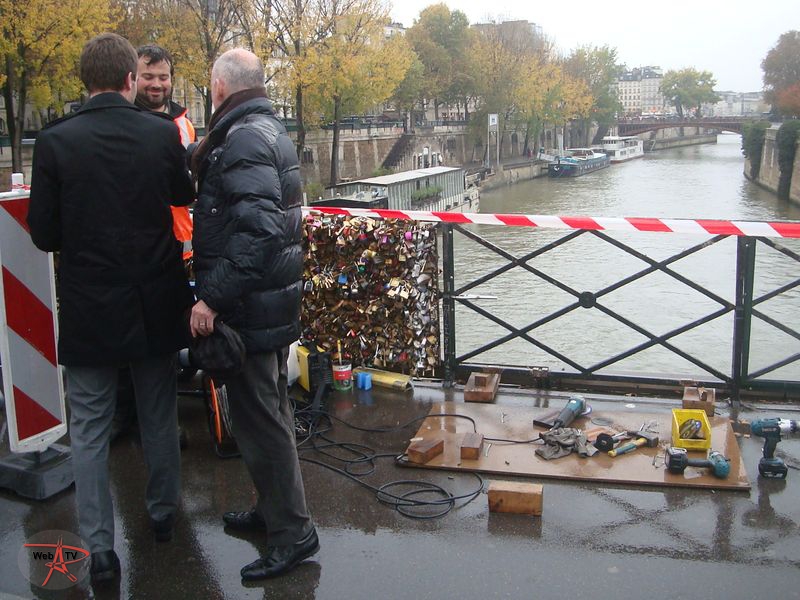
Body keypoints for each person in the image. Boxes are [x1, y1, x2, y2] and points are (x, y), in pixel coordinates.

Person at [27, 33, 194, 582]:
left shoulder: (54, 142)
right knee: (157, 414)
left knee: (91, 428)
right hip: (154, 299)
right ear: (130, 80)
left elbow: (45, 235)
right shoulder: (159, 134)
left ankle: (99, 551)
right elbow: (183, 195)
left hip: (90, 305)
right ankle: (163, 515)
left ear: (84, 81)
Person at [188, 48, 317, 581]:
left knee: (261, 422)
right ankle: (273, 511)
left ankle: (292, 534)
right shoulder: (264, 129)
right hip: (267, 301)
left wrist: (211, 297)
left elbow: (260, 228)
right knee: (270, 413)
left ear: (219, 87)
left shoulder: (242, 138)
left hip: (249, 307)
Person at [111, 44, 198, 442]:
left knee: (170, 335)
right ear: (133, 77)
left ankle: (164, 418)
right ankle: (128, 414)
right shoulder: (124, 122)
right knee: (130, 338)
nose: (157, 84)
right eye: (148, 76)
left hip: (180, 244)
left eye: (163, 77)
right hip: (139, 243)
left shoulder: (183, 122)